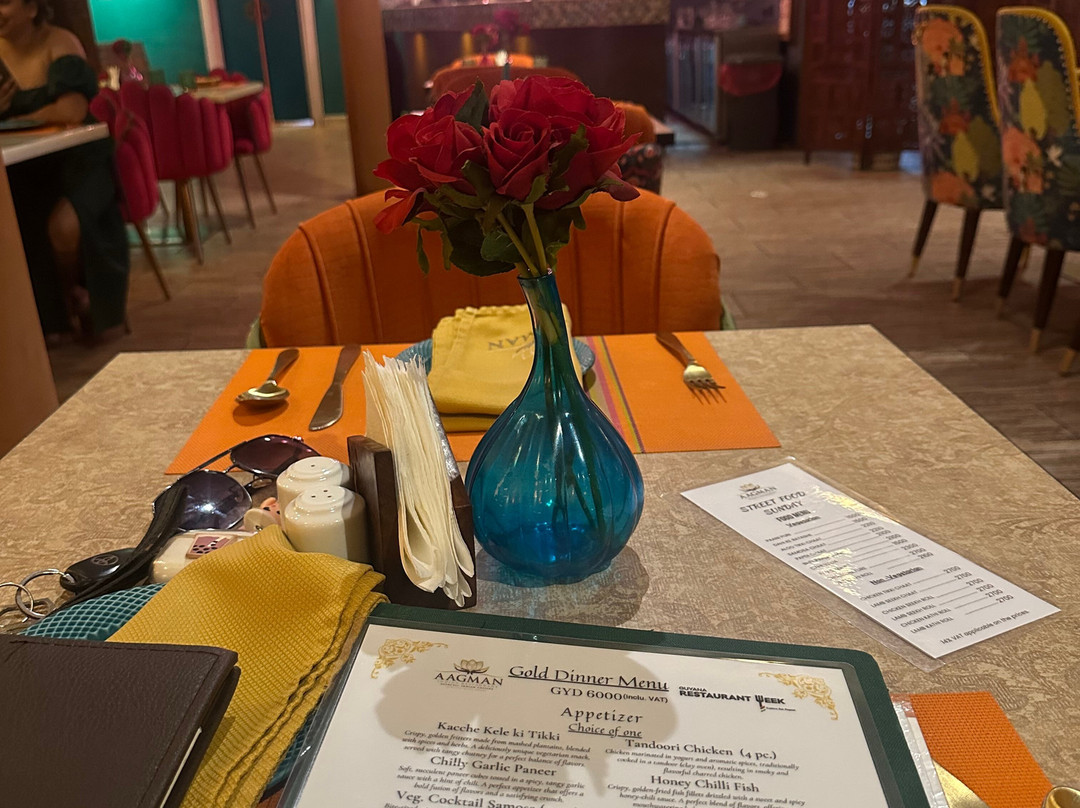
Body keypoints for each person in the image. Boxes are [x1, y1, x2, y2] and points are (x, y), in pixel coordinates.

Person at [0, 0, 129, 339]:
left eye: (4, 3)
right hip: (25, 166)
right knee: (13, 228)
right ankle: (44, 316)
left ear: (31, 8)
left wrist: (13, 116)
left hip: (81, 161)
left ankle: (72, 295)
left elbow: (71, 111)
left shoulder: (60, 43)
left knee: (64, 228)